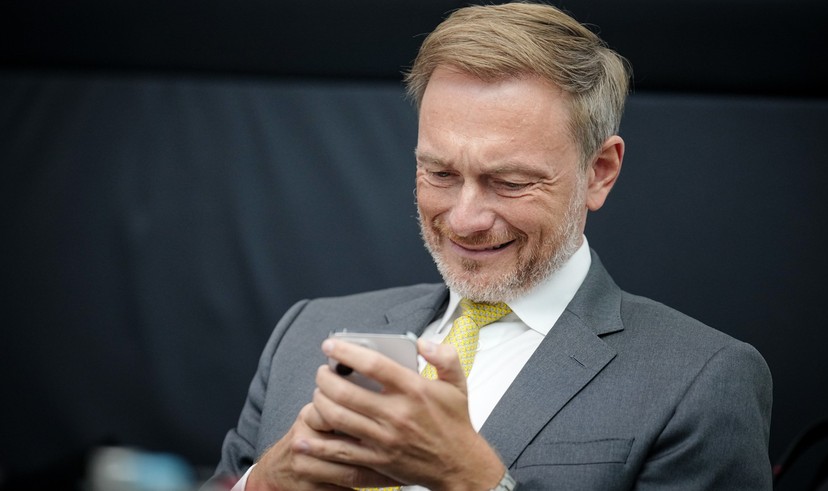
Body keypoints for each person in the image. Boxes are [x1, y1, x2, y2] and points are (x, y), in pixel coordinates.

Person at [206, 2, 773, 490]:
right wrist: (270, 480)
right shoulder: (306, 333)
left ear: (599, 172)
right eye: (439, 174)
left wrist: (472, 480)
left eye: (510, 182)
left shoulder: (701, 380)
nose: (466, 218)